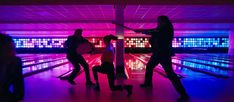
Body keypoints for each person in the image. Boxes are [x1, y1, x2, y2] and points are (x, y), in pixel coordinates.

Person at [134, 16, 189, 100]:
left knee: (170, 74)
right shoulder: (161, 28)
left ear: (164, 21)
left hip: (163, 54)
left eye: (159, 21)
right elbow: (154, 31)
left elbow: (154, 31)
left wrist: (141, 31)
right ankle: (148, 83)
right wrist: (142, 31)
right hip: (158, 53)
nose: (158, 23)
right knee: (149, 66)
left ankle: (183, 94)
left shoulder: (166, 29)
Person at [0, 33, 24, 102]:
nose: (13, 53)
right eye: (9, 49)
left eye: (13, 49)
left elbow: (19, 91)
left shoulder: (16, 62)